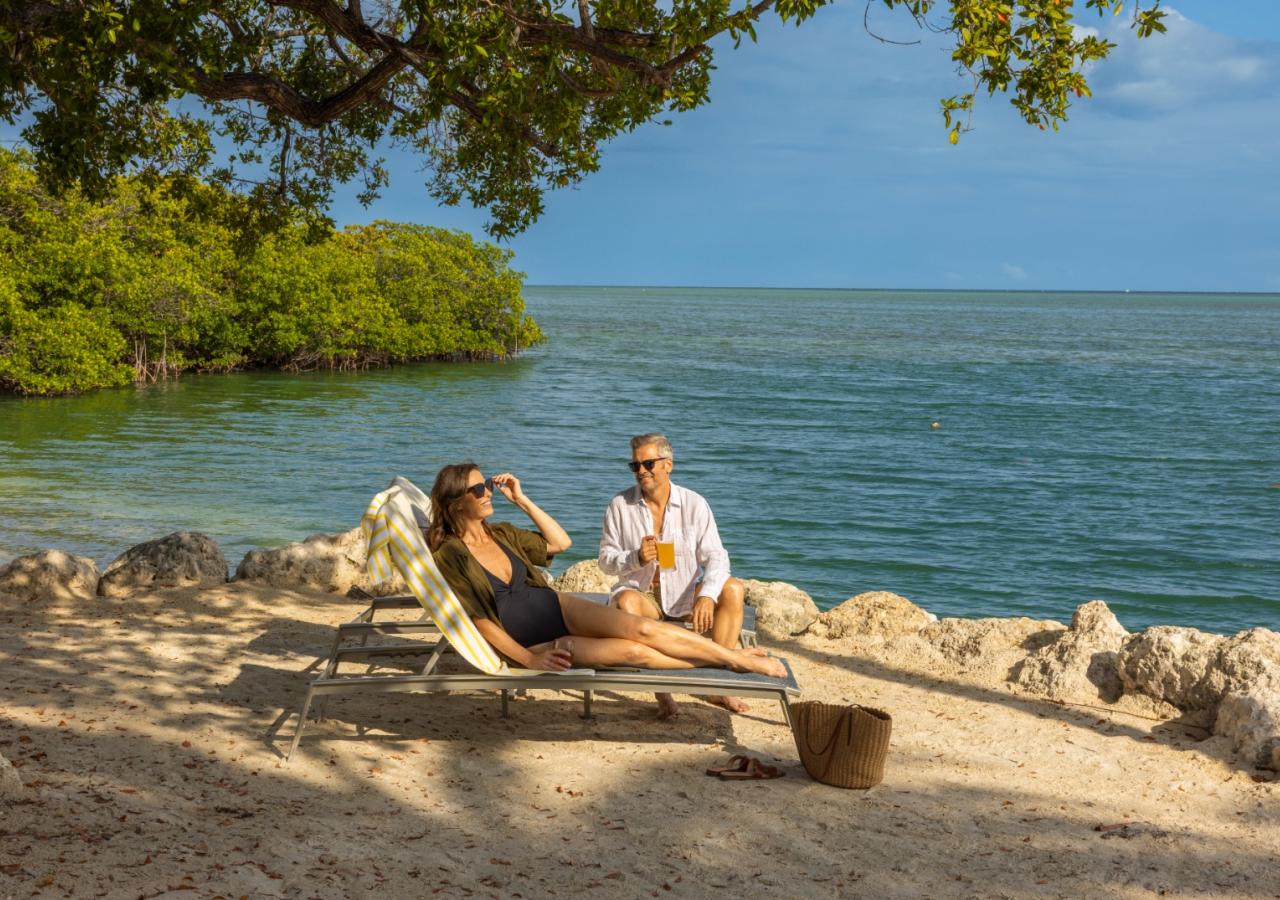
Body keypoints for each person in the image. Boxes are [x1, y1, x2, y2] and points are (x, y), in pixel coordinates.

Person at [426, 461, 786, 683]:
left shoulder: (501, 532)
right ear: (456, 502)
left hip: (559, 606)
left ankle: (733, 659)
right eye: (478, 489)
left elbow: (560, 542)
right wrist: (530, 659)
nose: (487, 491)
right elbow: (478, 621)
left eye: (486, 484)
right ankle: (730, 662)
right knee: (634, 652)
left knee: (644, 629)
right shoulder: (451, 554)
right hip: (534, 640)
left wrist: (522, 500)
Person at [598, 433, 750, 718]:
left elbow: (717, 556)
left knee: (732, 589)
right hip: (642, 594)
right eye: (635, 466)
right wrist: (636, 557)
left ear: (668, 464)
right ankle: (662, 691)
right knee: (627, 603)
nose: (641, 471)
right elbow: (605, 562)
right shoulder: (620, 505)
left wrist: (706, 594)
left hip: (683, 592)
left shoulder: (694, 504)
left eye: (649, 464)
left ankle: (719, 684)